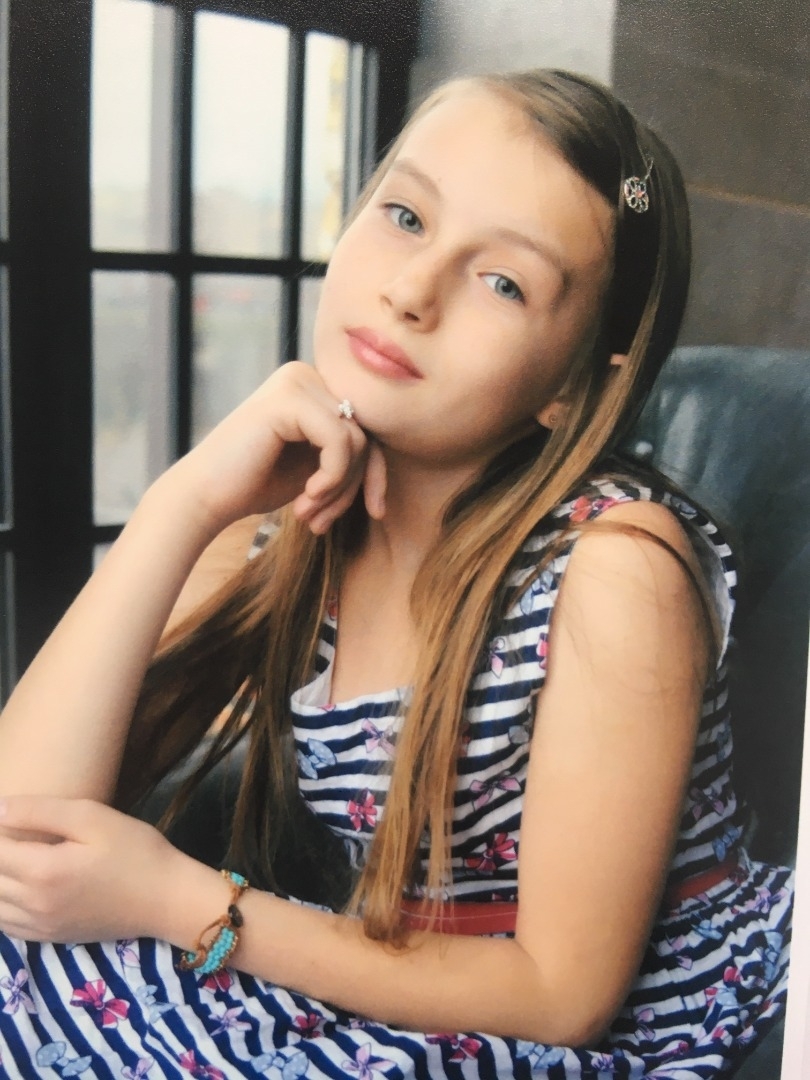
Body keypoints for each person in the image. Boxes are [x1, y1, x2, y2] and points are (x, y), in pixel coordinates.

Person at [0, 69, 792, 1080]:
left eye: (502, 282)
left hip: (615, 1024)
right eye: (407, 217)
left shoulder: (616, 572)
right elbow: (20, 834)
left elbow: (564, 996)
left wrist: (181, 900)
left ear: (571, 388)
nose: (412, 292)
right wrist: (183, 503)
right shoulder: (277, 528)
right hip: (385, 976)